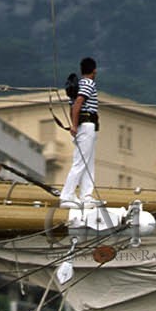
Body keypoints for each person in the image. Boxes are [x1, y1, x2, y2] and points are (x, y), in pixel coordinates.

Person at [60, 56, 100, 205]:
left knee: (87, 161)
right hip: (87, 124)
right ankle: (67, 195)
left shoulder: (77, 85)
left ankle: (86, 196)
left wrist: (74, 124)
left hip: (86, 126)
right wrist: (75, 126)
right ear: (94, 70)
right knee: (80, 162)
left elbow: (73, 107)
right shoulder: (88, 83)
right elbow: (78, 104)